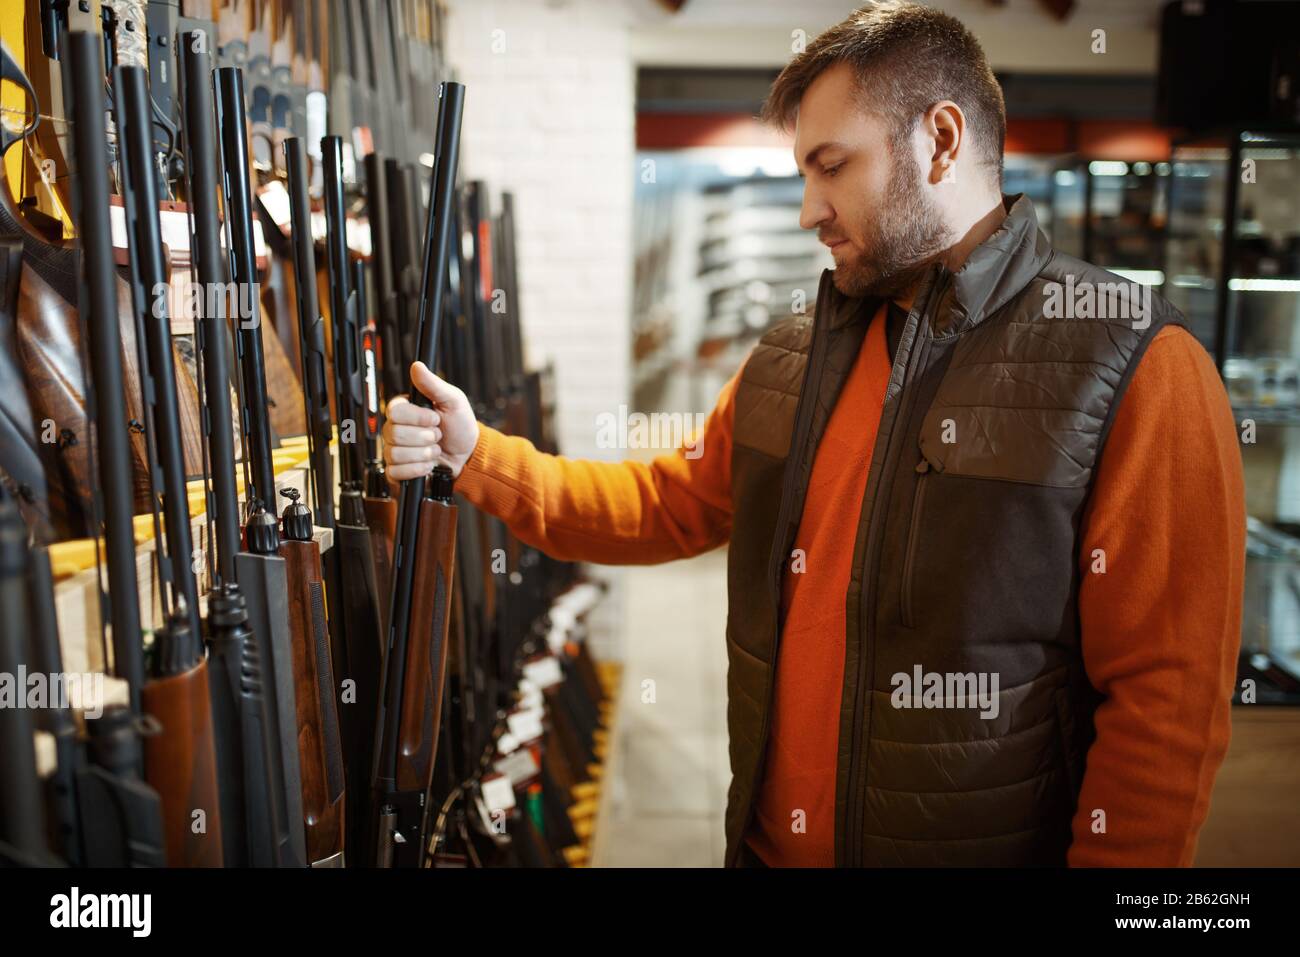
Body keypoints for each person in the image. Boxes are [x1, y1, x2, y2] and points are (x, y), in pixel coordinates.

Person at [383, 1, 1245, 867]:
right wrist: (475, 455)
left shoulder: (1138, 363)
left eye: (831, 167)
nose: (807, 209)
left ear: (941, 141)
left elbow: (1165, 711)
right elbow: (663, 504)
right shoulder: (793, 355)